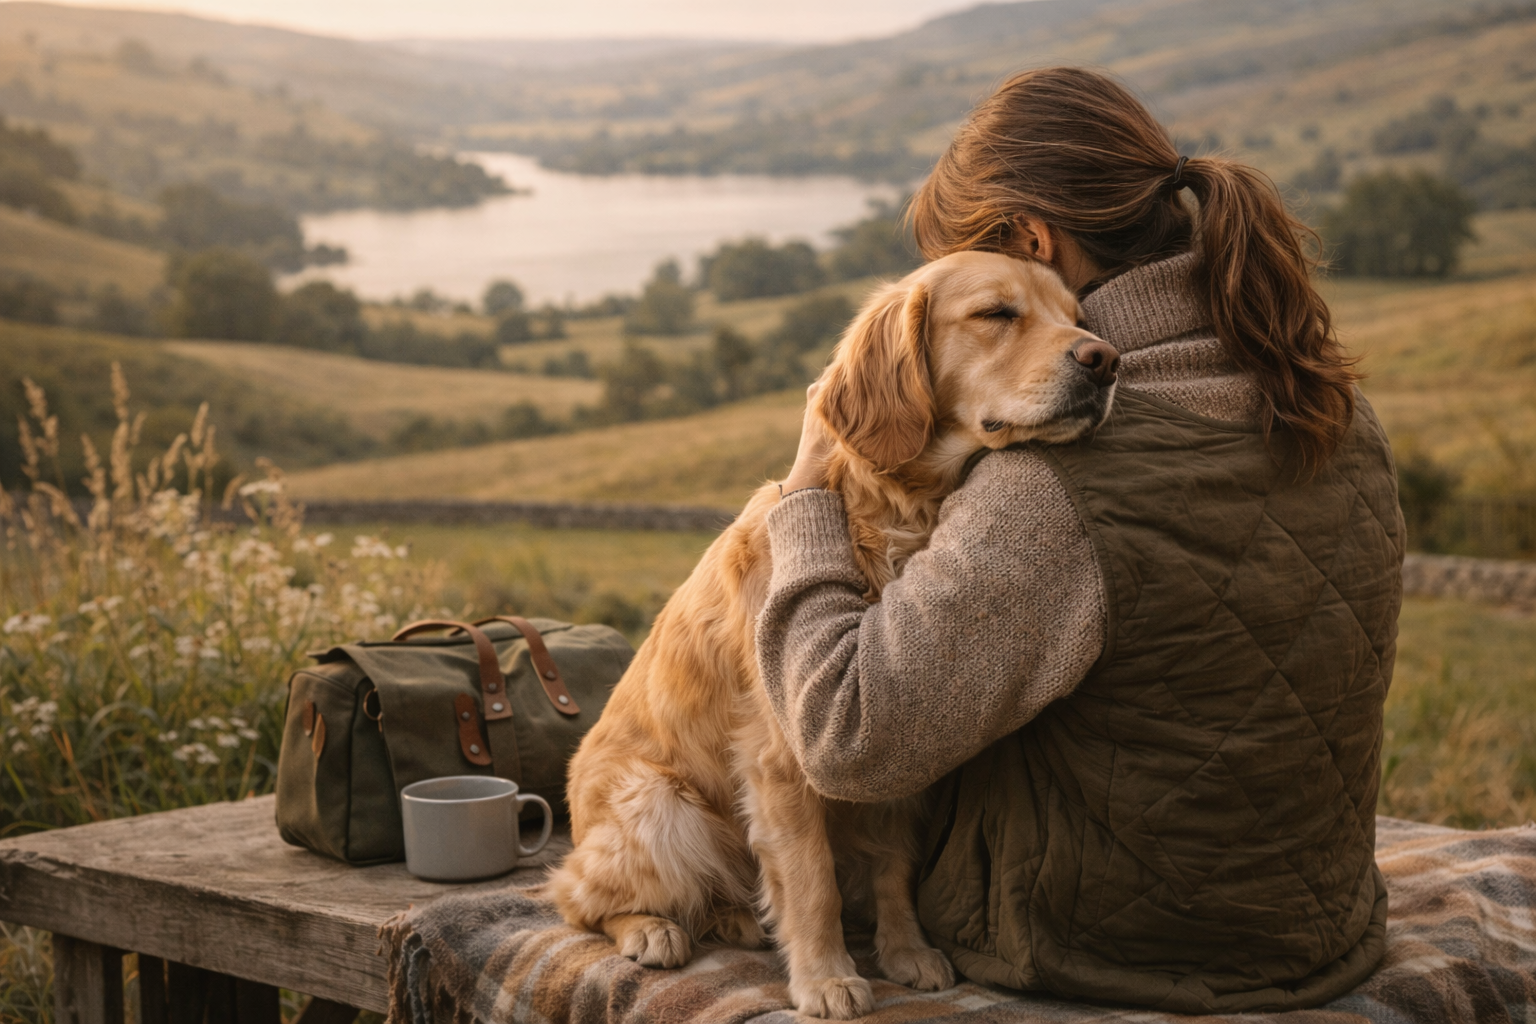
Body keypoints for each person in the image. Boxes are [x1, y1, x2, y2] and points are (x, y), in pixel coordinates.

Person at [756, 67, 1404, 1014]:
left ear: (1032, 242)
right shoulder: (1335, 408)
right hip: (1323, 931)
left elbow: (845, 741)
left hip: (1096, 950)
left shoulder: (1052, 487)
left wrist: (806, 495)